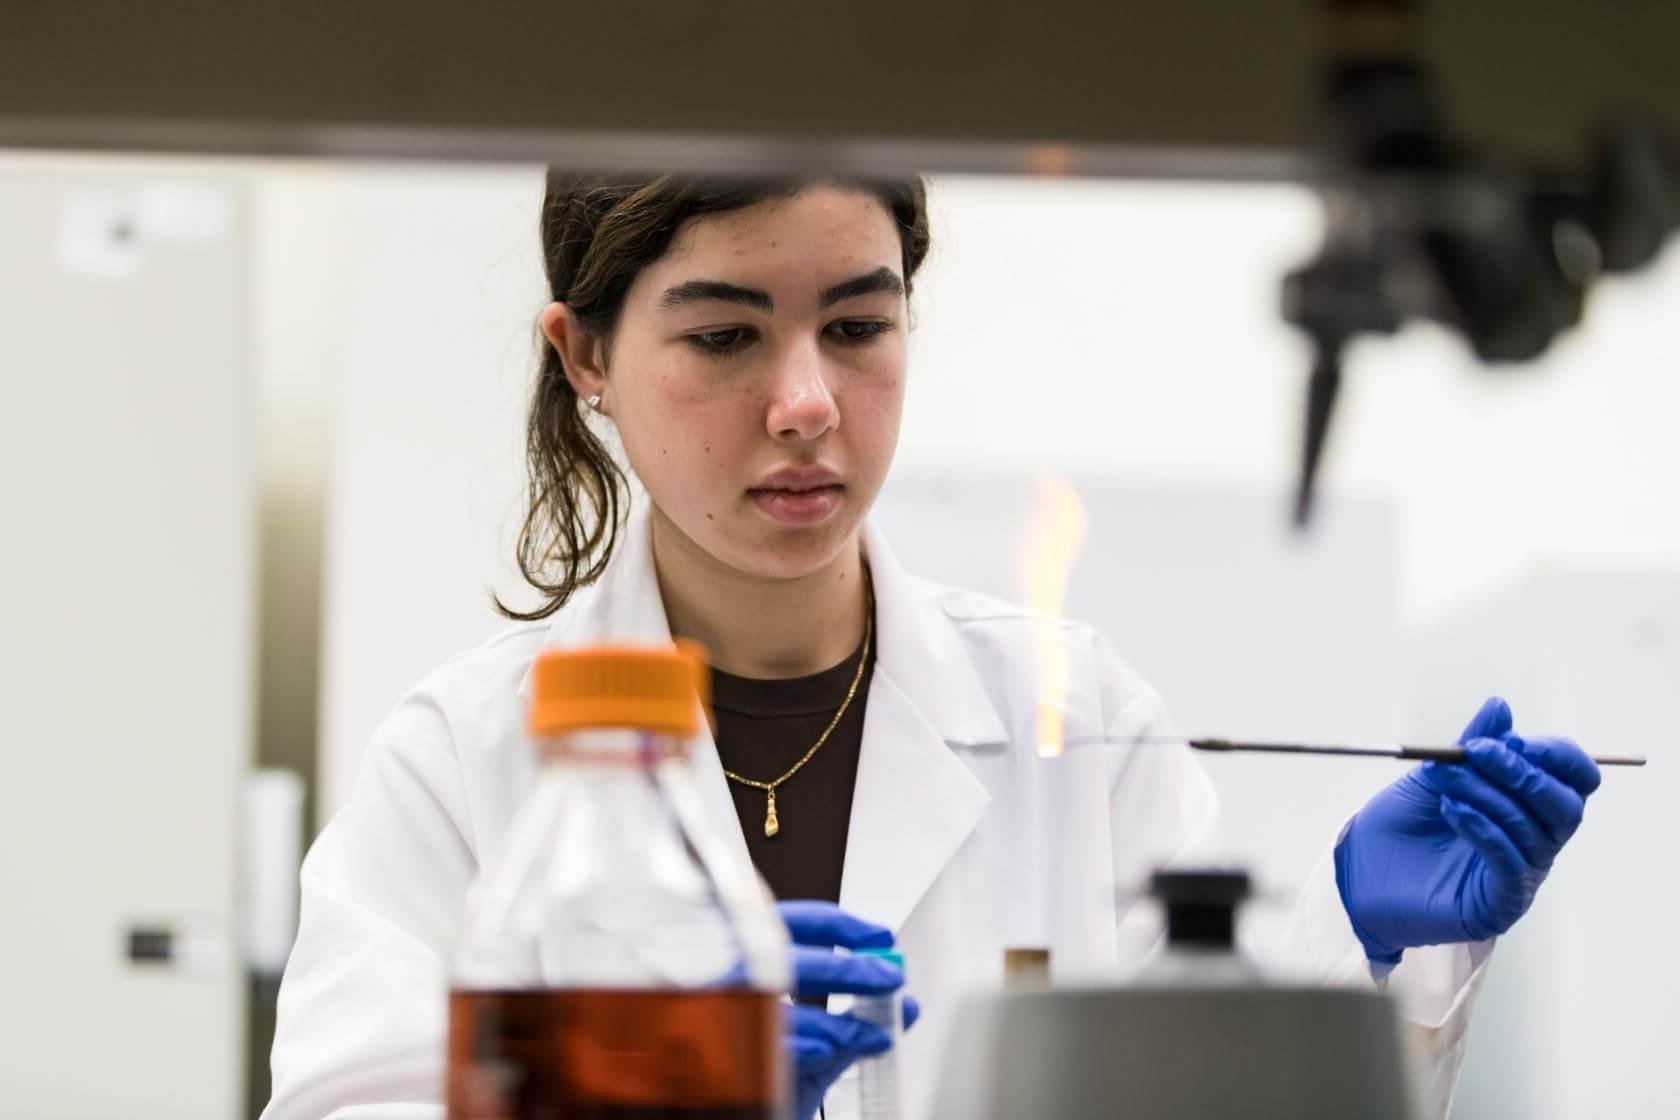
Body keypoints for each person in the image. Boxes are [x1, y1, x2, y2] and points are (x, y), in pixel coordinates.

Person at [262, 172, 1602, 1120]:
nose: (805, 403)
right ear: (585, 356)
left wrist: (1365, 946)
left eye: (857, 325)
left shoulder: (1070, 715)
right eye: (725, 334)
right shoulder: (461, 764)